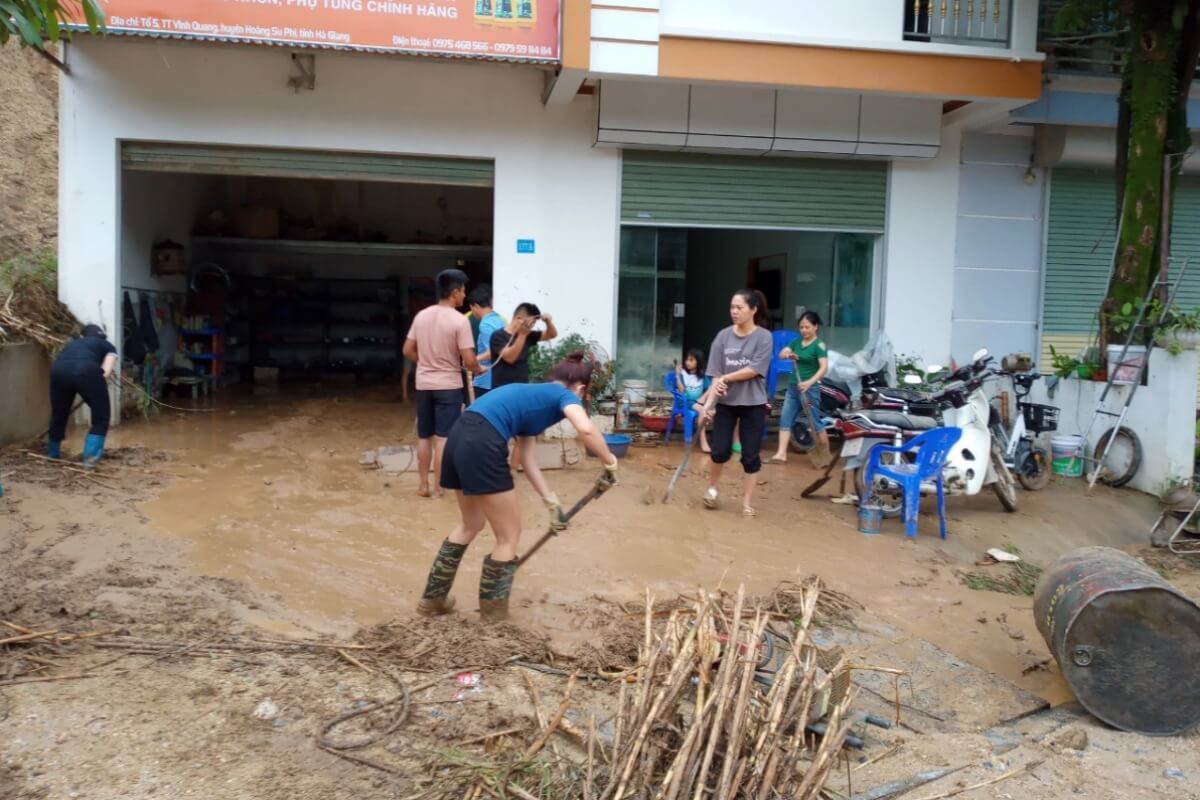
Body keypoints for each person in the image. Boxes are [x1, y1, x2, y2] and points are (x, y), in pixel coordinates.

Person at [416, 352, 620, 622]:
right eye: (582, 396)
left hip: (458, 437)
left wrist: (551, 503)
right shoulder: (565, 396)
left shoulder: (531, 395)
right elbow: (585, 429)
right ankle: (494, 618)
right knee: (509, 537)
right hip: (484, 442)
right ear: (581, 389)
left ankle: (433, 600)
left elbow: (527, 459)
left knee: (471, 524)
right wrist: (610, 461)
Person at [403, 269, 484, 498]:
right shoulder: (460, 321)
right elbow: (468, 360)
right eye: (463, 291)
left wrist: (426, 363)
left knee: (424, 436)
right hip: (448, 385)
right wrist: (478, 368)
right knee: (443, 438)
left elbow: (407, 350)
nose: (465, 296)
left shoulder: (421, 316)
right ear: (455, 292)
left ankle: (422, 486)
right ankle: (439, 487)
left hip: (423, 384)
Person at [701, 290, 774, 517]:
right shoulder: (722, 337)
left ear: (753, 310)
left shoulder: (764, 337)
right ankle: (712, 489)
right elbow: (715, 374)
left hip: (754, 404)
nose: (734, 311)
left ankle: (747, 502)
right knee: (719, 450)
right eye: (732, 307)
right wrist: (710, 402)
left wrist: (727, 378)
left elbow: (754, 370)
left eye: (739, 307)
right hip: (727, 403)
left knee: (750, 455)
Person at [47, 323, 118, 469]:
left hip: (58, 371)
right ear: (102, 336)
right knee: (101, 417)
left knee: (59, 413)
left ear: (83, 336)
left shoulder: (73, 344)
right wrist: (95, 385)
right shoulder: (108, 346)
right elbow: (106, 372)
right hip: (87, 371)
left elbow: (68, 361)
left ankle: (53, 454)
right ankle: (90, 461)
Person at [770, 311, 830, 463]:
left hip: (810, 390)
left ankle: (825, 455)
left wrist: (809, 382)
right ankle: (781, 454)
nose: (804, 330)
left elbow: (823, 368)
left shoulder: (819, 345)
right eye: (801, 327)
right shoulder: (796, 342)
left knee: (815, 422)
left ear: (815, 327)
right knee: (785, 418)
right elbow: (782, 354)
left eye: (807, 327)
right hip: (793, 388)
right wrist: (789, 354)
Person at [490, 303, 558, 389]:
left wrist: (548, 322)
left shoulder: (527, 335)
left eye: (533, 323)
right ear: (519, 318)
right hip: (501, 389)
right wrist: (522, 335)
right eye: (531, 323)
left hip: (522, 387)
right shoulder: (498, 336)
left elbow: (551, 335)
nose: (532, 326)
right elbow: (510, 358)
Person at [468, 285, 505, 400]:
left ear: (476, 306)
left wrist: (474, 360)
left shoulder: (485, 324)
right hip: (500, 378)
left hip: (486, 381)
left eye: (471, 308)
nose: (472, 312)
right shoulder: (500, 320)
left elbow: (493, 351)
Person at [675, 349, 711, 453]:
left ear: (698, 362)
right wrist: (677, 375)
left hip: (698, 402)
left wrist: (702, 398)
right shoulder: (682, 374)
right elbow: (681, 390)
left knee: (709, 410)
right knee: (703, 411)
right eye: (687, 359)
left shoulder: (702, 376)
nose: (687, 362)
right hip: (686, 402)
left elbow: (710, 388)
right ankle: (703, 442)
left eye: (691, 360)